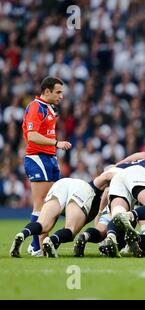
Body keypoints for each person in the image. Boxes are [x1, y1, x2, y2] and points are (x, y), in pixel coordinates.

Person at [22, 76, 72, 256]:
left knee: (51, 202)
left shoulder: (48, 108)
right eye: (58, 92)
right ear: (47, 91)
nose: (61, 96)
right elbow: (32, 135)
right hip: (37, 157)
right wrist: (56, 143)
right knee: (41, 204)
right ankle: (36, 246)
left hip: (49, 158)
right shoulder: (36, 106)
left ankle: (37, 244)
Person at [9, 171, 112, 258]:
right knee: (71, 230)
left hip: (61, 184)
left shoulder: (98, 188)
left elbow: (43, 233)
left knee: (43, 224)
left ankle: (22, 234)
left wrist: (44, 249)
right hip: (81, 190)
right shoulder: (98, 193)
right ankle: (52, 239)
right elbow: (108, 175)